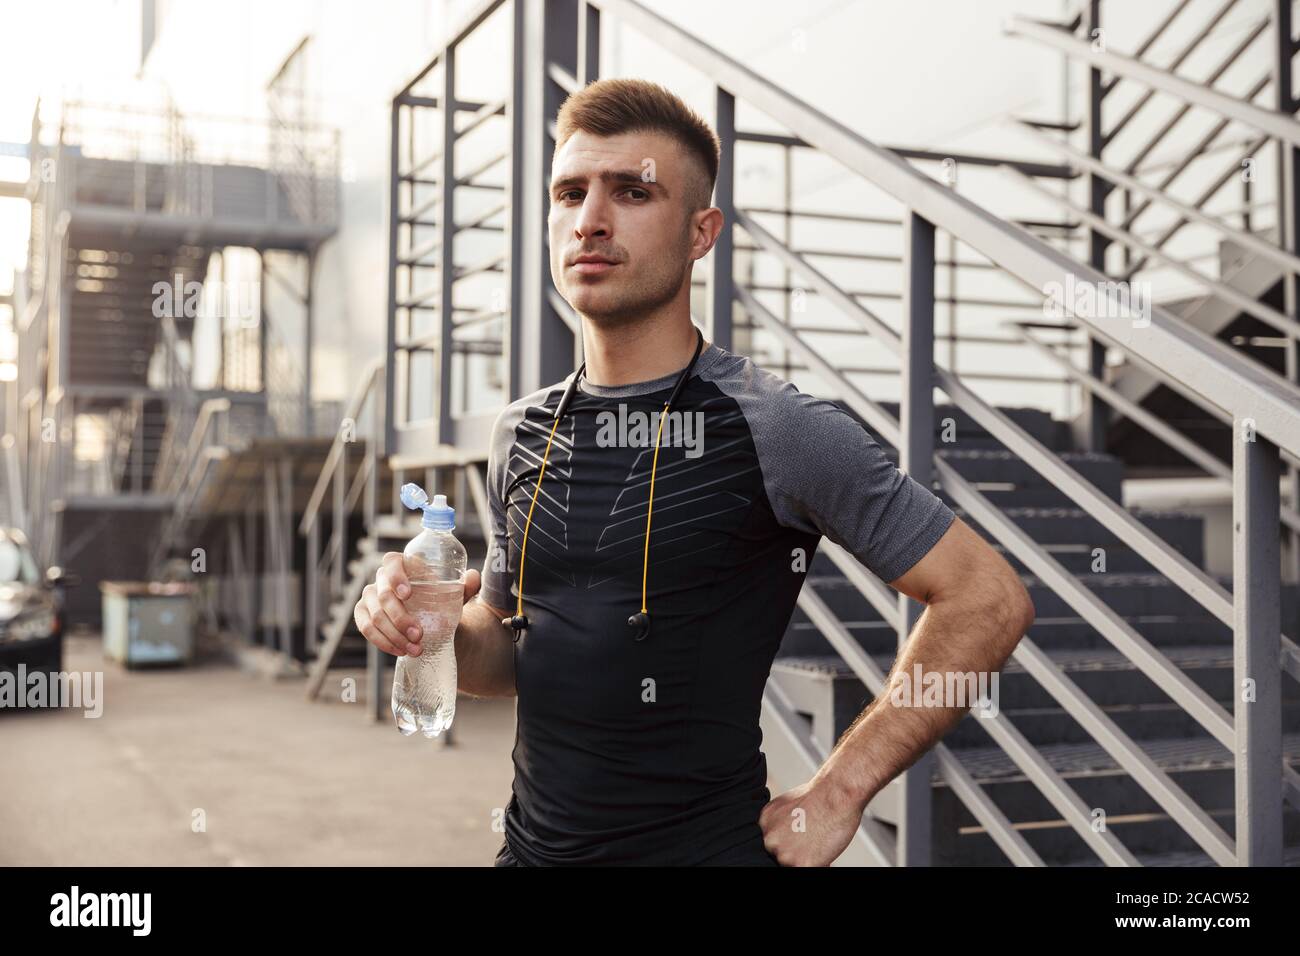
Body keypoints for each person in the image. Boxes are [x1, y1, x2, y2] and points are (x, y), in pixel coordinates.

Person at [354, 78, 1035, 867]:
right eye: (570, 193)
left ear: (700, 233)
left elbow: (988, 598)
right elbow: (507, 657)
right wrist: (428, 629)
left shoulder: (775, 427)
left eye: (632, 192)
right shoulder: (523, 430)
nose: (591, 219)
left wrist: (842, 788)